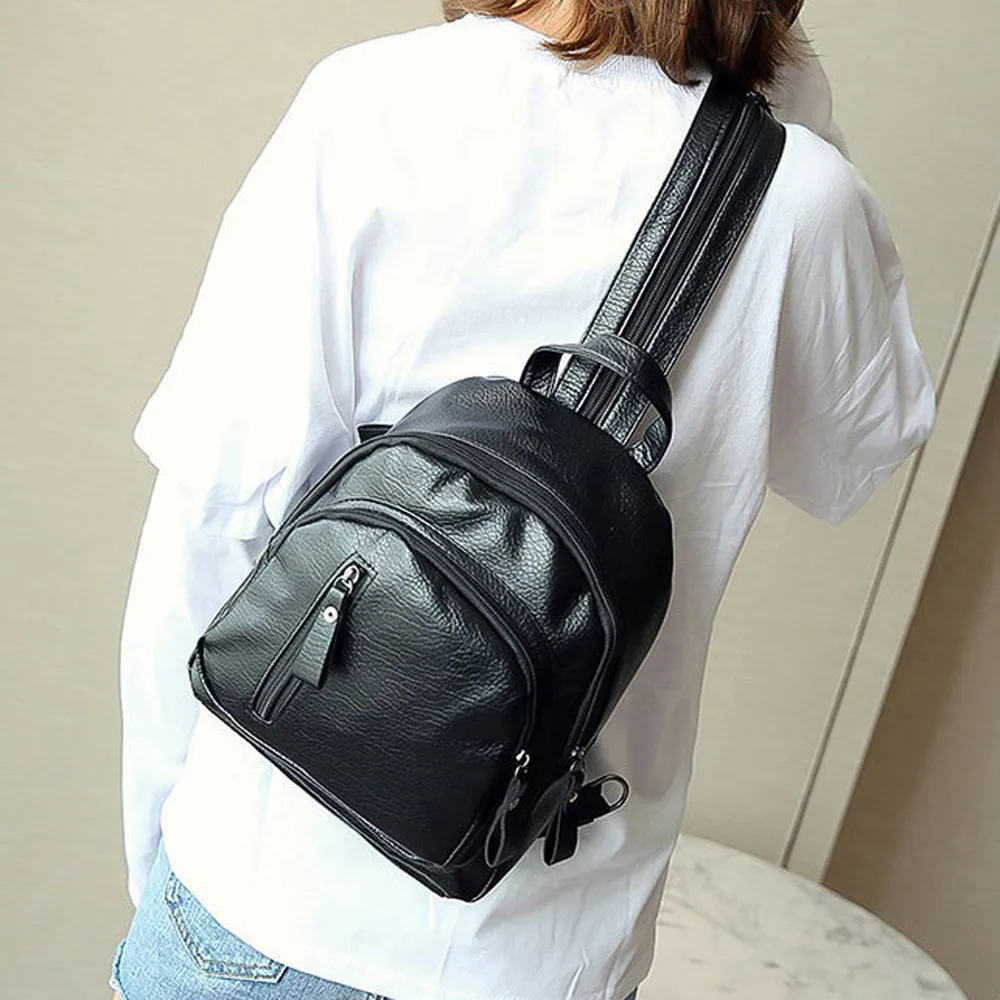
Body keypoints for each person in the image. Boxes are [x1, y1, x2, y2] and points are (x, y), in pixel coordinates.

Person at [109, 2, 936, 999]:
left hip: (259, 899)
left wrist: (164, 853)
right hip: (543, 952)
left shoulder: (375, 102)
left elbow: (209, 520)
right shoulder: (804, 198)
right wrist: (783, 93)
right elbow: (857, 454)